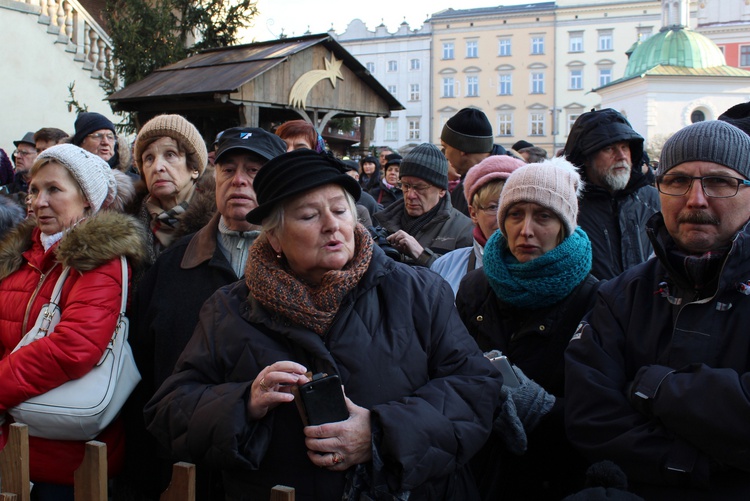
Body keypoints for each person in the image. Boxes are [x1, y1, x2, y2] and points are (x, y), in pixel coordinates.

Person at [143, 149, 502, 500]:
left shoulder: (418, 291)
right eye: (309, 215)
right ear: (274, 238)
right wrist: (245, 402)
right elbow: (170, 410)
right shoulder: (229, 310)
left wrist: (380, 434)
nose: (332, 225)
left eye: (340, 210)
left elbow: (474, 390)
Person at [564, 120, 750, 498]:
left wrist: (657, 387)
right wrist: (695, 462)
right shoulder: (620, 297)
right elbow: (592, 419)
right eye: (678, 181)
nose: (695, 199)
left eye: (718, 181)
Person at [120, 127, 287, 500]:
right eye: (228, 169)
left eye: (255, 170)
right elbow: (141, 365)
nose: (239, 180)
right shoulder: (173, 264)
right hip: (182, 460)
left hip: (266, 465)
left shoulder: (300, 264)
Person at [0, 143, 147, 501]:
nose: (39, 201)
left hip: (65, 462)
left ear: (87, 200)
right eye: (34, 189)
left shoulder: (100, 261)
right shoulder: (22, 256)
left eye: (54, 189)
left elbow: (74, 347)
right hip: (13, 445)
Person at [457, 156, 598, 500]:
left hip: (553, 478)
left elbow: (601, 414)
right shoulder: (475, 286)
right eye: (515, 214)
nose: (526, 230)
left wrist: (539, 407)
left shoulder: (596, 299)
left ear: (566, 224)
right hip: (474, 469)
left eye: (544, 216)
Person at [563, 108, 660, 280]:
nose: (621, 156)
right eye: (609, 148)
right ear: (586, 158)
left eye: (625, 147)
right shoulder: (566, 205)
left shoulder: (654, 200)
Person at [431, 154, 525, 296]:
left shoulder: (544, 271)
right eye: (493, 207)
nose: (503, 218)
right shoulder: (446, 267)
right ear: (474, 213)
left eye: (514, 210)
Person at [373, 143, 473, 267]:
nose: (410, 195)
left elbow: (460, 279)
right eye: (405, 186)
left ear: (442, 190)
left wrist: (421, 255)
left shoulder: (464, 230)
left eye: (419, 187)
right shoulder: (384, 223)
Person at [133, 114, 208, 262]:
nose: (157, 167)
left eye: (170, 155)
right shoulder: (127, 225)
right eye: (149, 158)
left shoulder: (220, 222)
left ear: (194, 168)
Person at [441, 108, 508, 217]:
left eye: (445, 147)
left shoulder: (507, 184)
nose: (446, 155)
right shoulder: (514, 174)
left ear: (461, 149)